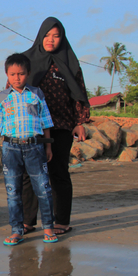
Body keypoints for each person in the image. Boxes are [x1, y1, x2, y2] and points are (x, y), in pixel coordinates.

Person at [21, 17, 90, 235]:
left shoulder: (70, 62)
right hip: (32, 126)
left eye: (56, 35)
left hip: (61, 124)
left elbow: (78, 92)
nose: (51, 40)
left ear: (62, 38)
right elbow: (14, 89)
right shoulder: (26, 60)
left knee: (58, 171)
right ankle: (27, 220)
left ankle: (61, 220)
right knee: (28, 173)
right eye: (47, 35)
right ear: (40, 36)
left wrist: (79, 122)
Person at [0, 53, 58, 245]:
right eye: (12, 74)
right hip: (10, 149)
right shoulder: (1, 97)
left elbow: (45, 121)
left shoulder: (36, 94)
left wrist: (48, 145)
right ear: (6, 75)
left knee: (43, 188)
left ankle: (49, 227)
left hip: (35, 147)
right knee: (13, 191)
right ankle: (16, 230)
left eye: (21, 74)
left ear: (28, 73)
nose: (17, 78)